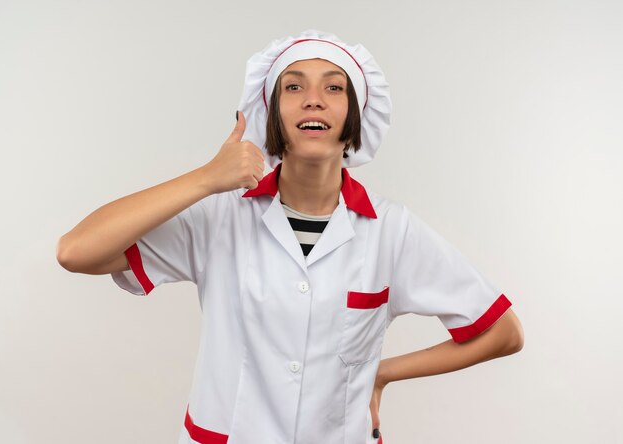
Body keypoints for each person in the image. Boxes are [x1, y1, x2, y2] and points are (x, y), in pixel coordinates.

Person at [57, 30, 524, 444]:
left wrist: (382, 374)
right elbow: (77, 251)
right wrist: (204, 178)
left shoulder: (392, 232)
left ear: (354, 116)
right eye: (294, 86)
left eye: (333, 87)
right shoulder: (221, 216)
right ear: (273, 115)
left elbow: (502, 332)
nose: (313, 99)